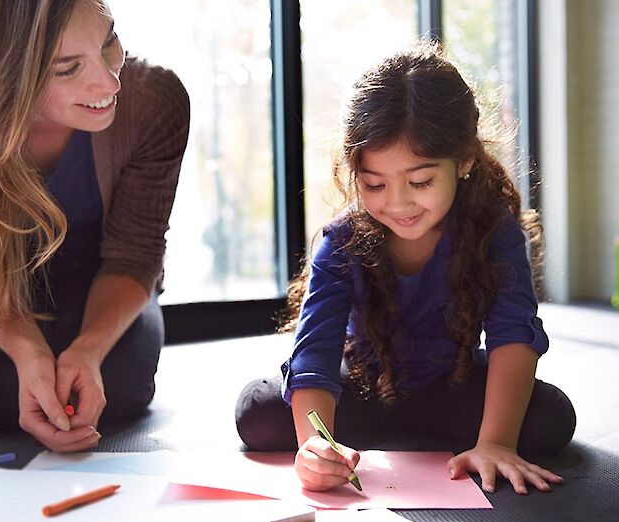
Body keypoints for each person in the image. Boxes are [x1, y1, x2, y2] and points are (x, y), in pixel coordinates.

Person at [235, 42, 575, 495]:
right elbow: (315, 352)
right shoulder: (343, 242)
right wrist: (316, 447)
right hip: (363, 384)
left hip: (450, 383)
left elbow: (513, 335)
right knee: (258, 412)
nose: (397, 203)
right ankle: (404, 439)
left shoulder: (495, 232)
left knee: (549, 419)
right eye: (374, 184)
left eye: (420, 181)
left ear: (465, 160)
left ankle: (461, 438)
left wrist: (496, 443)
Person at [0, 0, 189, 452]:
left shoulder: (154, 98)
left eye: (108, 41)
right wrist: (28, 353)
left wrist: (89, 349)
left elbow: (134, 254)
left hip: (100, 266)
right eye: (67, 68)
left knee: (123, 389)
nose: (108, 81)